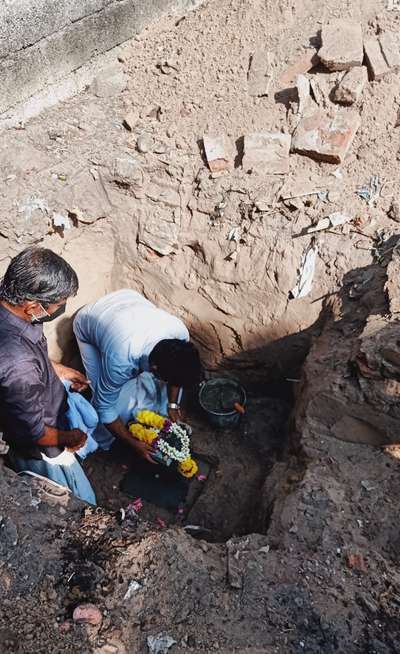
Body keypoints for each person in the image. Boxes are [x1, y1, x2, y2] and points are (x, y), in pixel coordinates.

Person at [0, 247, 96, 504]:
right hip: (43, 447)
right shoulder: (18, 362)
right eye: (59, 303)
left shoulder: (14, 312)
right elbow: (36, 431)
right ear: (33, 306)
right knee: (77, 500)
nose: (62, 307)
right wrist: (69, 437)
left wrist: (59, 370)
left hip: (39, 411)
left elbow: (30, 354)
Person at [73, 289, 202, 463]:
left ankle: (157, 409)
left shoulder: (179, 334)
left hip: (128, 299)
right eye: (166, 378)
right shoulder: (120, 359)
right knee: (107, 400)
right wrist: (133, 442)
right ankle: (112, 442)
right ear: (154, 369)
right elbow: (104, 408)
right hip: (91, 319)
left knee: (164, 396)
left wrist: (172, 404)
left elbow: (176, 375)